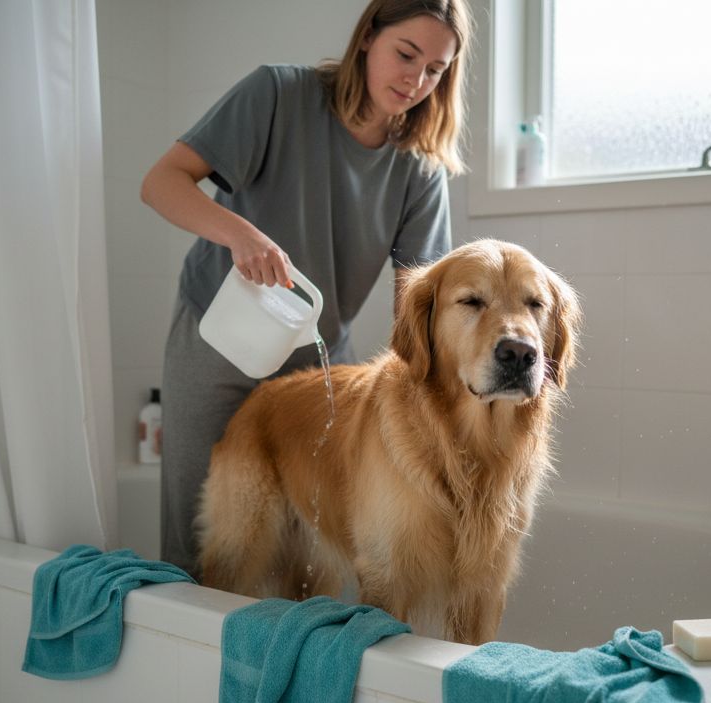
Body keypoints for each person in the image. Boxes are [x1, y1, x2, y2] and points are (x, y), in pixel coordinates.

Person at [140, 0, 472, 577]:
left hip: (317, 363)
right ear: (367, 36)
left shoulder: (420, 169)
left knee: (315, 557)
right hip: (218, 337)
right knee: (196, 547)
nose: (416, 81)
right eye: (406, 55)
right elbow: (160, 182)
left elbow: (418, 304)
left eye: (435, 70)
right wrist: (240, 235)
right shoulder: (276, 95)